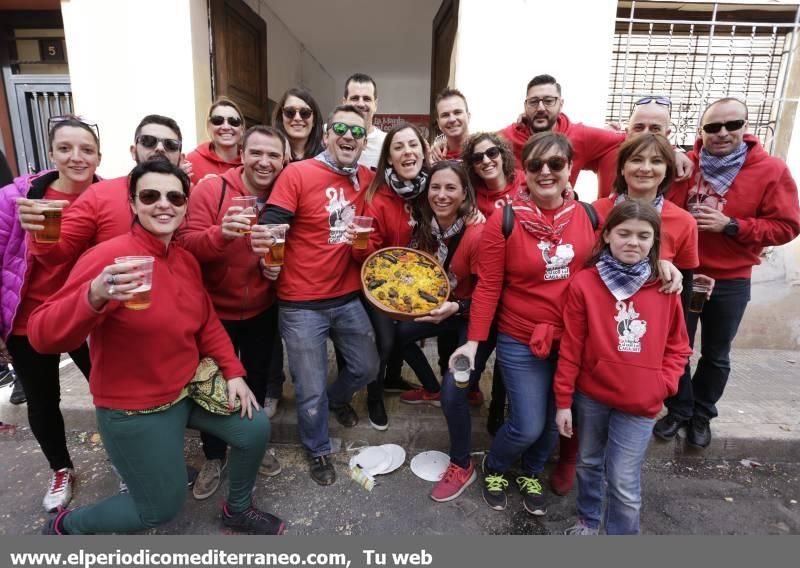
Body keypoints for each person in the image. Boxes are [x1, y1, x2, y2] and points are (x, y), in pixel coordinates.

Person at [29, 160, 284, 536]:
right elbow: (42, 335)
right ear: (132, 203)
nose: (163, 204)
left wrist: (233, 371)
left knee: (255, 426)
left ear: (185, 205)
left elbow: (207, 321)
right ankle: (67, 526)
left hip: (186, 388)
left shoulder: (182, 258)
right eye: (150, 195)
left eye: (174, 197)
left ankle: (238, 509)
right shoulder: (108, 258)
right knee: (157, 510)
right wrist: (94, 295)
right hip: (135, 408)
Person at [449, 132, 599, 516]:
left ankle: (531, 471)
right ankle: (495, 466)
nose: (545, 172)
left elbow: (623, 255)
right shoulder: (506, 219)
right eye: (535, 165)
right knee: (529, 424)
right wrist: (474, 343)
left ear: (570, 169)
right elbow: (489, 286)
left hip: (571, 339)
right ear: (525, 171)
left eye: (556, 164)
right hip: (521, 337)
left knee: (554, 424)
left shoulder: (590, 216)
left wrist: (662, 263)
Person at [549, 132, 699, 496]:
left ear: (668, 170)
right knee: (587, 433)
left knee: (622, 476)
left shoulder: (683, 221)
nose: (645, 168)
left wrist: (663, 382)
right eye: (636, 159)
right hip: (595, 333)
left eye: (656, 161)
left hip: (643, 341)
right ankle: (571, 461)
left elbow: (681, 311)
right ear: (622, 166)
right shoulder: (594, 211)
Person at [653, 97, 800, 448]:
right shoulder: (687, 165)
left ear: (745, 128)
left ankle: (702, 414)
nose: (722, 133)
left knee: (717, 354)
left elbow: (787, 226)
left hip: (732, 278)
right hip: (686, 274)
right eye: (713, 127)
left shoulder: (771, 171)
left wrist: (732, 225)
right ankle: (679, 410)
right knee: (676, 348)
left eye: (732, 125)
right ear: (701, 132)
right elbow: (661, 206)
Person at [253, 105, 379, 486]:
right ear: (326, 135)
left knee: (366, 367)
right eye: (340, 128)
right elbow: (272, 222)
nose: (349, 137)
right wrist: (268, 262)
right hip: (301, 302)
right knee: (308, 391)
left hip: (347, 295)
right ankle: (318, 447)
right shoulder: (298, 172)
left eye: (357, 132)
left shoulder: (367, 178)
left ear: (364, 141)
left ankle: (336, 398)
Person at [555, 200, 692, 535]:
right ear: (606, 238)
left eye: (643, 235)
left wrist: (663, 385)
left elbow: (679, 346)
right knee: (588, 462)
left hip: (641, 401)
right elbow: (571, 346)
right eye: (624, 233)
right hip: (593, 395)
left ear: (654, 241)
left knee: (623, 480)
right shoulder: (584, 284)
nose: (633, 242)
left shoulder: (666, 286)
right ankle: (588, 520)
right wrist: (563, 402)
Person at [178, 125, 288, 498]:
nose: (264, 161)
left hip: (262, 306)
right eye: (257, 152)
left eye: (273, 155)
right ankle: (213, 455)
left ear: (284, 160)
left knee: (255, 380)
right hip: (214, 311)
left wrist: (273, 270)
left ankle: (254, 444)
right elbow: (187, 245)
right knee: (214, 385)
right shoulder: (213, 189)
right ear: (242, 152)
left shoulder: (284, 195)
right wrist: (221, 234)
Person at [0, 116, 100, 511]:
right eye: (66, 148)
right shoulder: (16, 199)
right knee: (43, 399)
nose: (77, 157)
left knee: (111, 393)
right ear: (51, 152)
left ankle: (129, 461)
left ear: (98, 155)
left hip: (86, 317)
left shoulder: (109, 196)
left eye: (86, 150)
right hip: (28, 319)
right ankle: (61, 469)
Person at [387, 161, 493, 502]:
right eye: (436, 187)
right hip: (446, 309)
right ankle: (431, 389)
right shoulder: (425, 229)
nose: (442, 195)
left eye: (451, 188)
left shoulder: (479, 233)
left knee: (454, 392)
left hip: (476, 318)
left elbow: (490, 294)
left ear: (465, 194)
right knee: (397, 336)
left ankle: (462, 464)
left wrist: (457, 309)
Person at [346, 122, 430, 429]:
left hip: (416, 281)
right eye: (398, 147)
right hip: (378, 283)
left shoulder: (430, 189)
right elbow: (361, 255)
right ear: (389, 159)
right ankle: (374, 396)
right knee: (385, 340)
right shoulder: (377, 197)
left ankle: (393, 377)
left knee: (403, 334)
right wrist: (359, 240)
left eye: (413, 145)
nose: (407, 152)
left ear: (423, 152)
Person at [17, 114, 185, 266]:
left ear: (181, 156)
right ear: (133, 151)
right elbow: (55, 255)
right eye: (149, 141)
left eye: (171, 145)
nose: (160, 148)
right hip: (119, 296)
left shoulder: (188, 196)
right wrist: (42, 228)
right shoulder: (100, 194)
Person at [461, 132, 526, 434]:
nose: (486, 160)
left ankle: (498, 415)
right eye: (477, 158)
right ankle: (471, 391)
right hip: (486, 289)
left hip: (522, 287)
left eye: (491, 153)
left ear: (503, 154)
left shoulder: (527, 182)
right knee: (477, 357)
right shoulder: (471, 196)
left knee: (509, 361)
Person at [499, 74, 622, 188]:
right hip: (516, 209)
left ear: (561, 104)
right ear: (525, 106)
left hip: (563, 208)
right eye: (534, 102)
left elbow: (627, 140)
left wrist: (606, 202)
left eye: (548, 101)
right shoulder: (506, 139)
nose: (540, 108)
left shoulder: (578, 135)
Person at [595, 95, 694, 199]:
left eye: (655, 129)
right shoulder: (607, 149)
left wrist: (675, 152)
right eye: (639, 128)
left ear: (667, 134)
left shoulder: (678, 167)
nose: (645, 134)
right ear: (627, 132)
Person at [185, 98, 244, 186]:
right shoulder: (191, 162)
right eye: (218, 121)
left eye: (234, 121)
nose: (226, 127)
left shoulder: (252, 161)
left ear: (242, 128)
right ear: (209, 126)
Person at [342, 73, 386, 169]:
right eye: (355, 98)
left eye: (367, 99)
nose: (361, 104)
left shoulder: (387, 142)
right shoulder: (329, 136)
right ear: (344, 103)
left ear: (375, 105)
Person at [272, 88, 324, 163]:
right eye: (290, 112)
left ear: (314, 121)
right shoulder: (269, 152)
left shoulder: (326, 158)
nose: (297, 118)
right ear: (281, 117)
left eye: (305, 113)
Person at [431, 88, 471, 163]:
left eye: (457, 112)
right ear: (439, 123)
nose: (452, 119)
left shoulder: (487, 152)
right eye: (445, 115)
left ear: (468, 117)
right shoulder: (434, 159)